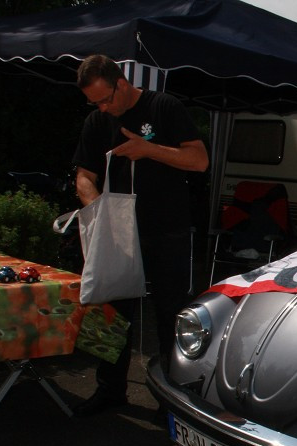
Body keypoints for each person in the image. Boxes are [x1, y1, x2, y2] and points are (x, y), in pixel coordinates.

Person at [72, 54, 209, 416]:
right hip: (118, 237)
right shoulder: (96, 121)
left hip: (166, 230)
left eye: (105, 99)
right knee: (111, 315)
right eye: (94, 102)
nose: (102, 107)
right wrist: (99, 211)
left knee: (170, 315)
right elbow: (84, 177)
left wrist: (147, 149)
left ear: (121, 83)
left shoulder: (163, 106)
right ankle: (109, 390)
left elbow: (198, 160)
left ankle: (173, 399)